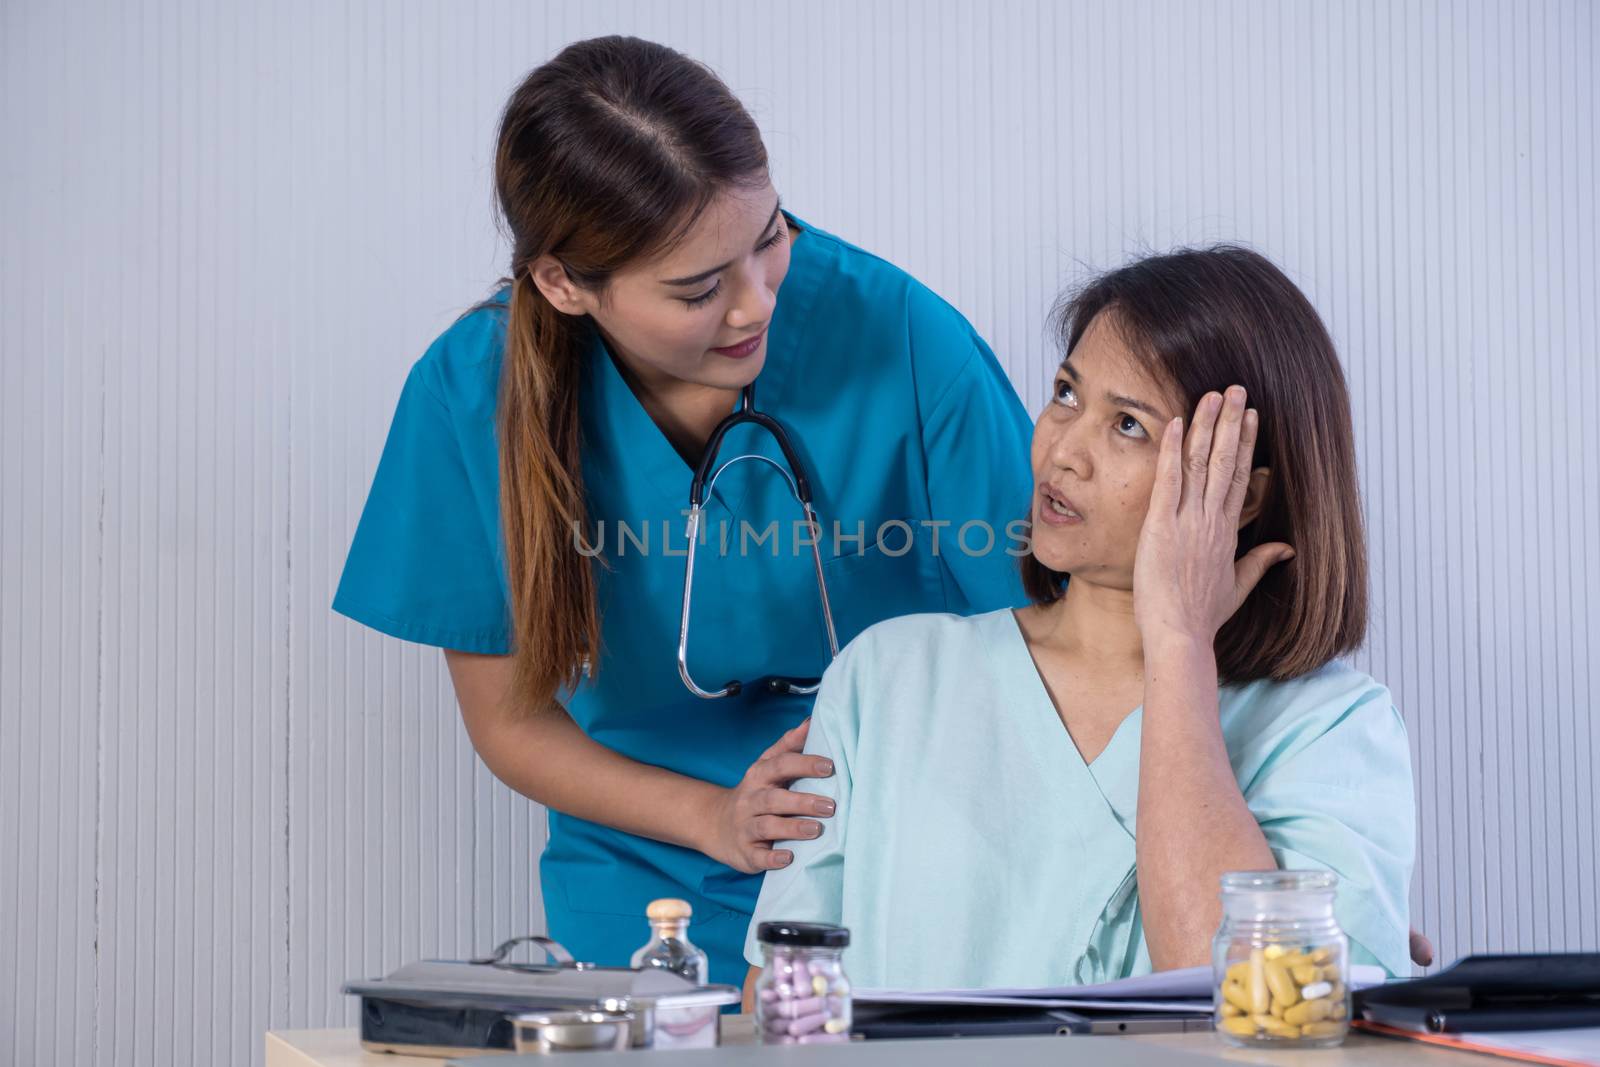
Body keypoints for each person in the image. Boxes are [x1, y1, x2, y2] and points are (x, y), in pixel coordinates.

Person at [332, 35, 1033, 986]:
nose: (754, 307)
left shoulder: (902, 335)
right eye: (699, 288)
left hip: (914, 864)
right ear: (564, 285)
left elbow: (1049, 638)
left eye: (771, 236)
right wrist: (714, 818)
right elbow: (512, 723)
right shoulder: (470, 396)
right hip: (652, 887)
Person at [742, 246, 1418, 995]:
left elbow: (1252, 1005)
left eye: (1127, 424)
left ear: (1244, 496)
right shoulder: (886, 677)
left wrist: (1180, 644)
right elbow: (778, 1004)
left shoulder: (1331, 731)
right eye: (1066, 393)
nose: (1063, 449)